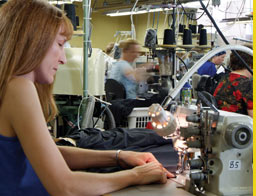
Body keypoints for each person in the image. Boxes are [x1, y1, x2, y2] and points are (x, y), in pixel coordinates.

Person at [0, 1, 174, 196]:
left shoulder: (10, 86)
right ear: (33, 41)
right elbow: (65, 187)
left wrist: (120, 156)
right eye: (59, 44)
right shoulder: (19, 88)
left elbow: (52, 153)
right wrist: (136, 176)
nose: (63, 59)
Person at [213, 49, 253, 118]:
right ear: (251, 64)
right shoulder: (248, 84)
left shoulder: (225, 78)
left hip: (224, 124)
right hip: (240, 126)